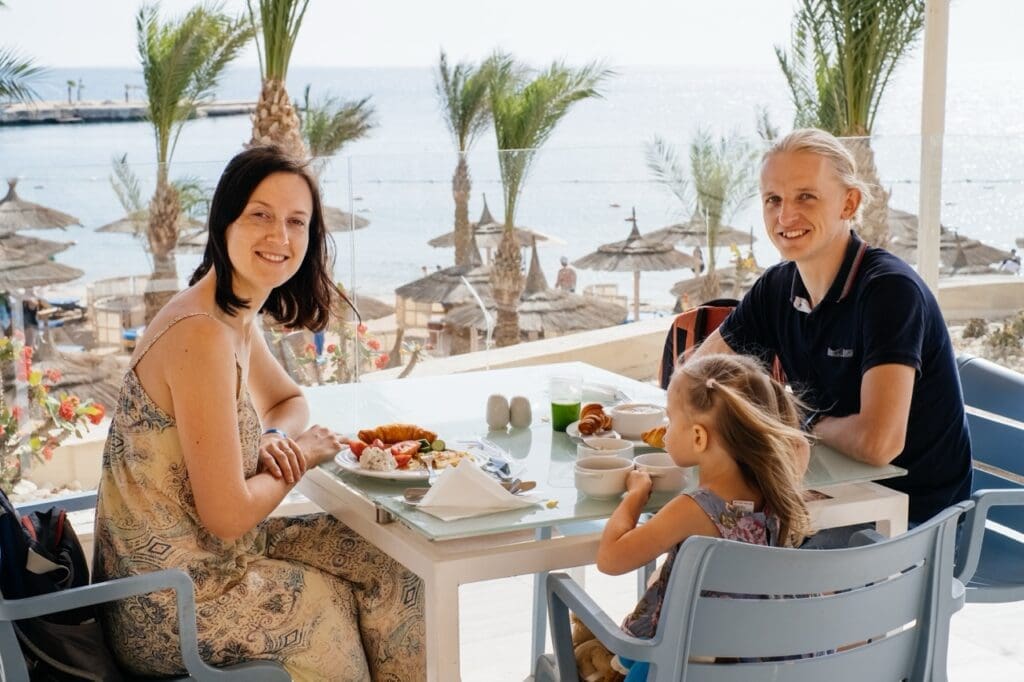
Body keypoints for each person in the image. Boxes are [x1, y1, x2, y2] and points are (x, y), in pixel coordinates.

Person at [93, 147, 425, 681]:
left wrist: (275, 437)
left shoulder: (232, 316)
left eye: (297, 221)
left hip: (216, 559)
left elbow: (290, 402)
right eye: (261, 216)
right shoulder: (201, 333)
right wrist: (304, 456)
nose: (281, 237)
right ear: (224, 222)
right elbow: (227, 515)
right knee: (324, 607)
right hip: (165, 603)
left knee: (395, 566)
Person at [693, 128, 972, 542]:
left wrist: (801, 422)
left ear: (849, 202)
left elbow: (878, 444)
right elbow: (698, 376)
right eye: (773, 200)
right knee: (697, 526)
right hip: (835, 495)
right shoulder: (778, 287)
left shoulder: (890, 292)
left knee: (726, 547)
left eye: (806, 196)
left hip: (915, 520)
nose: (785, 217)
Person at [596, 354, 811, 681]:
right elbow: (798, 446)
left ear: (699, 437)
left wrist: (636, 495)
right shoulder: (779, 491)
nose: (665, 432)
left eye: (670, 421)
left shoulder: (694, 509)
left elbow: (610, 559)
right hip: (752, 665)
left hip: (680, 668)